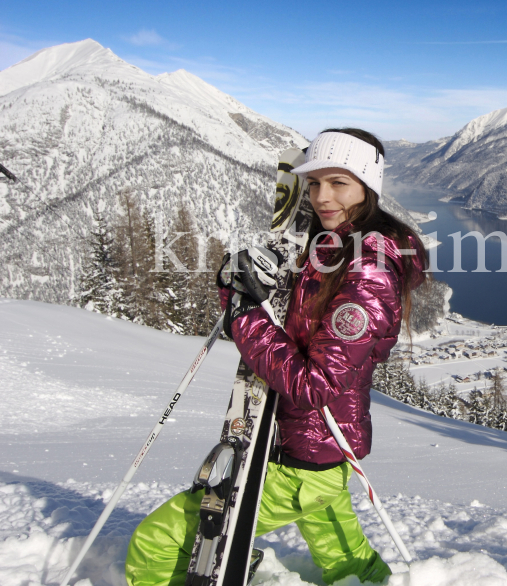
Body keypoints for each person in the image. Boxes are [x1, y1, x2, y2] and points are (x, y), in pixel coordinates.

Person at [125, 129, 427, 586]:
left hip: (303, 459)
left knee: (156, 541)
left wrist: (243, 313)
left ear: (367, 186)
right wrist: (262, 278)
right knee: (348, 561)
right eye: (314, 183)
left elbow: (315, 384)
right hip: (317, 449)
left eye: (338, 183)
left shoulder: (369, 268)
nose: (322, 197)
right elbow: (299, 318)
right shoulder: (335, 243)